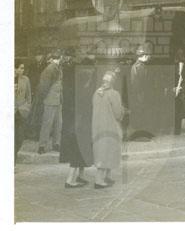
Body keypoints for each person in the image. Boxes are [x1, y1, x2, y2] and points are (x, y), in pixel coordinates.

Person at [60, 52, 97, 188]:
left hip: (80, 119)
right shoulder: (81, 83)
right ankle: (70, 180)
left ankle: (80, 176)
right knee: (78, 148)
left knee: (84, 148)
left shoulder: (80, 80)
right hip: (79, 121)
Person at [92, 71, 125, 189]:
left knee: (102, 151)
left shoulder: (96, 93)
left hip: (97, 127)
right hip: (111, 127)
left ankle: (107, 177)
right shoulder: (114, 94)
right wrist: (123, 110)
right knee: (109, 152)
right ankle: (99, 181)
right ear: (113, 82)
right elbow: (117, 114)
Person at [33, 51, 63, 154]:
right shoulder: (50, 69)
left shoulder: (58, 67)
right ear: (59, 58)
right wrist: (44, 98)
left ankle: (56, 143)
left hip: (58, 100)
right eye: (60, 57)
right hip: (50, 100)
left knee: (58, 124)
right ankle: (42, 146)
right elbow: (44, 86)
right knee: (47, 123)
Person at [128, 44, 154, 140]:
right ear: (144, 55)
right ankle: (139, 134)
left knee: (144, 112)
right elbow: (135, 84)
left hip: (143, 93)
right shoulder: (137, 67)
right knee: (140, 113)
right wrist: (139, 95)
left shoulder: (142, 66)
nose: (149, 57)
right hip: (139, 94)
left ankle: (144, 133)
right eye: (148, 55)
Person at [14, 62, 32, 162]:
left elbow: (29, 96)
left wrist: (26, 107)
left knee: (20, 138)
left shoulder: (26, 80)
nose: (22, 70)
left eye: (23, 68)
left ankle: (14, 155)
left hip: (21, 112)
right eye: (20, 68)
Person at [173, 49, 185, 135]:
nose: (181, 64)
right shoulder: (174, 69)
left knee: (179, 111)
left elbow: (184, 79)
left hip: (180, 92)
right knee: (176, 111)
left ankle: (177, 130)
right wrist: (175, 88)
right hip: (174, 92)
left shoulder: (182, 69)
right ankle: (175, 129)